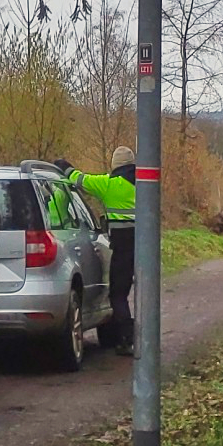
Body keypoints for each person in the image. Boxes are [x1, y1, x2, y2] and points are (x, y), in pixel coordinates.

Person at [77, 144, 137, 355]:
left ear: (115, 165)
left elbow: (79, 179)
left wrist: (63, 167)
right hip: (145, 247)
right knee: (144, 293)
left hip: (123, 247)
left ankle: (127, 340)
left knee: (118, 294)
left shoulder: (110, 184)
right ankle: (140, 337)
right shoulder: (145, 183)